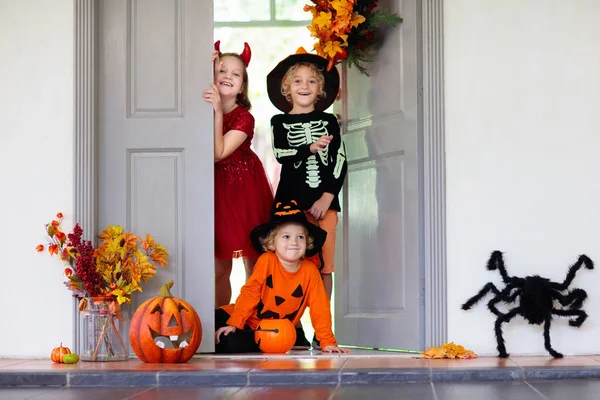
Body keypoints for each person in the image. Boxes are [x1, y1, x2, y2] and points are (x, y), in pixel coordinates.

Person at [265, 48, 347, 349]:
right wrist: (309, 149)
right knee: (290, 263)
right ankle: (292, 327)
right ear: (287, 88)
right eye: (297, 81)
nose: (304, 86)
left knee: (324, 267)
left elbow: (339, 160)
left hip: (324, 203)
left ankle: (323, 331)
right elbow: (282, 154)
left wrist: (328, 195)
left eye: (312, 81)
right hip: (291, 203)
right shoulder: (278, 122)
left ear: (321, 89)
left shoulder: (329, 122)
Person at [214, 199, 350, 354]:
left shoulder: (310, 271)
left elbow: (320, 308)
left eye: (300, 237)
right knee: (206, 321)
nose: (294, 242)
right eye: (286, 236)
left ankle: (246, 342)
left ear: (308, 243)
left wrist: (327, 341)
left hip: (268, 331)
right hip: (239, 316)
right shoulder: (266, 261)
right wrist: (235, 324)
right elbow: (250, 294)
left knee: (228, 342)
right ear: (272, 242)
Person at [203, 41, 273, 307]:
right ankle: (219, 319)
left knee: (253, 262)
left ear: (242, 86)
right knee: (219, 268)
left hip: (243, 189)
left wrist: (218, 110)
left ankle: (252, 320)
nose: (228, 77)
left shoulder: (244, 118)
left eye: (236, 74)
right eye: (222, 71)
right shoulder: (198, 109)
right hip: (215, 191)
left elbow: (218, 152)